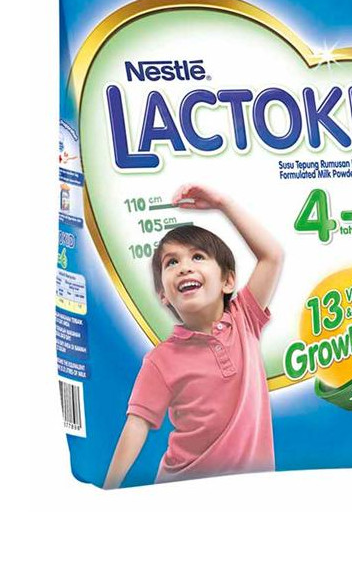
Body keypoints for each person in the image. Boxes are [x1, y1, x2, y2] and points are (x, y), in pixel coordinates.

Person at [103, 184, 284, 487]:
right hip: (184, 487)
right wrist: (109, 488)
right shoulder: (161, 361)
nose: (184, 267)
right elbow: (136, 425)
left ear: (228, 281)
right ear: (163, 295)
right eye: (171, 262)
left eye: (197, 257)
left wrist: (223, 203)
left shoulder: (245, 319)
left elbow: (272, 256)